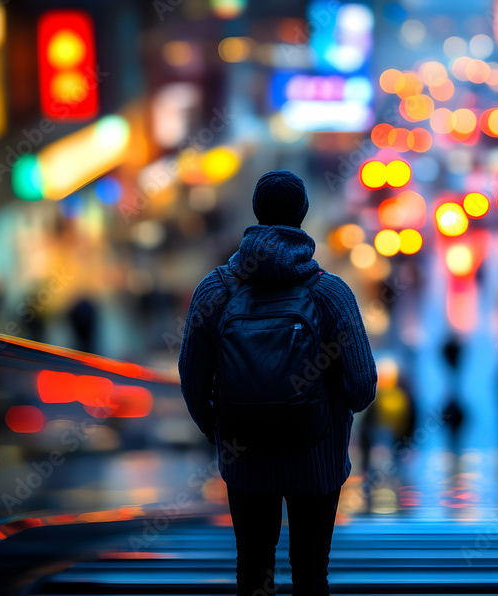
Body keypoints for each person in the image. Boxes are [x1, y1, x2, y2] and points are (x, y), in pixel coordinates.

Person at [179, 171, 377, 596]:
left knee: (253, 569)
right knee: (310, 573)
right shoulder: (331, 294)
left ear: (256, 214)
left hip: (245, 461)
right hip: (317, 461)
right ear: (303, 216)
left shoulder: (214, 291)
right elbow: (363, 389)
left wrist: (224, 431)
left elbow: (192, 383)